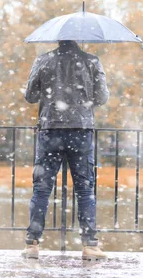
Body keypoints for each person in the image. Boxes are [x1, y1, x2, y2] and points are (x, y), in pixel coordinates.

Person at [22, 40, 109, 261]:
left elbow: (30, 96)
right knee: (84, 189)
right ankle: (90, 245)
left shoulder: (43, 60)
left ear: (58, 38)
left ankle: (32, 243)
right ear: (78, 39)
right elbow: (102, 98)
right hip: (81, 129)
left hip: (50, 128)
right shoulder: (92, 61)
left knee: (41, 189)